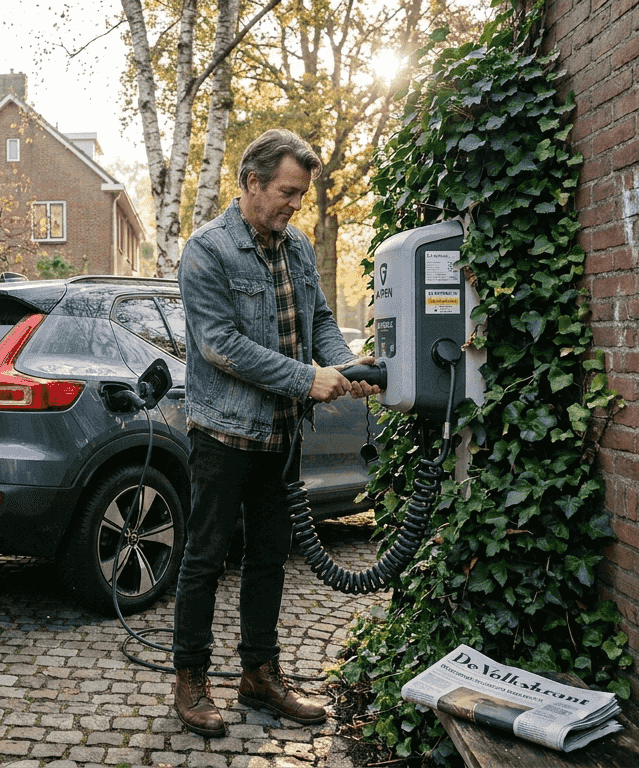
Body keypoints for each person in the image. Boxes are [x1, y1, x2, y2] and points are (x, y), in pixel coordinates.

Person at [172, 128, 380, 737]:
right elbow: (220, 345)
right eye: (287, 192)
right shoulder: (207, 250)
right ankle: (191, 683)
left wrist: (343, 366)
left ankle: (260, 676)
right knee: (205, 559)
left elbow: (318, 319)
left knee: (269, 557)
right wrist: (305, 379)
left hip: (282, 437)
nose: (295, 204)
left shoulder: (298, 249)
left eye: (301, 194)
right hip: (224, 435)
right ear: (252, 183)